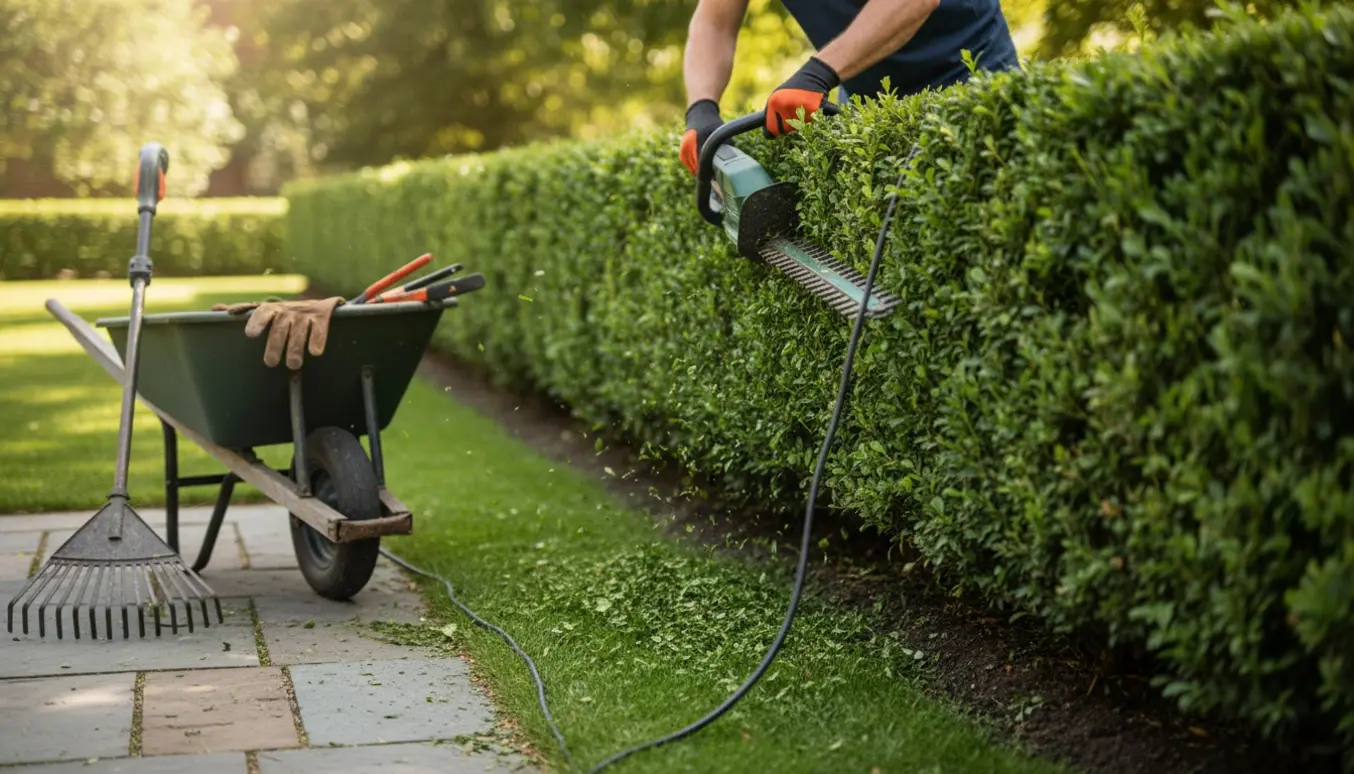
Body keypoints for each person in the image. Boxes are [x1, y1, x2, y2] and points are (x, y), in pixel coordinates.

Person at [679, 0, 1021, 174]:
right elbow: (714, 23)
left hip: (971, 79)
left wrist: (819, 72)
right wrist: (701, 108)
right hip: (867, 107)